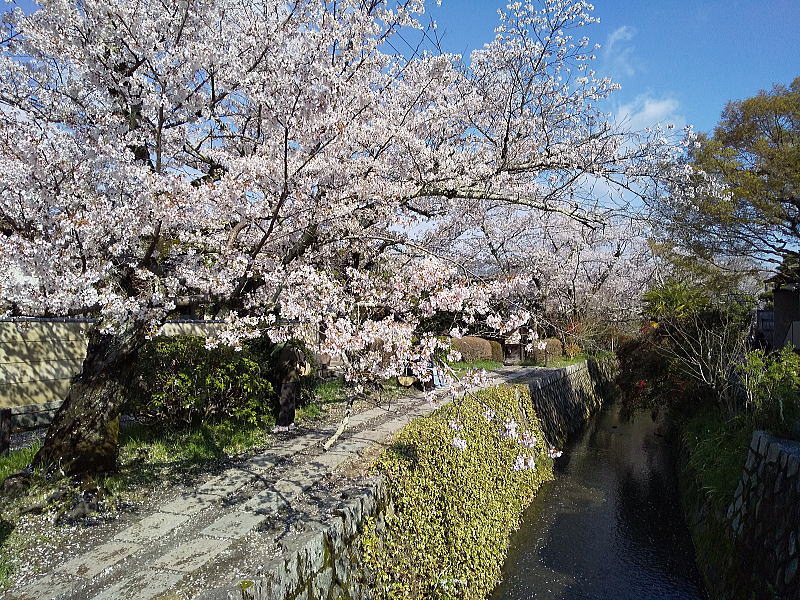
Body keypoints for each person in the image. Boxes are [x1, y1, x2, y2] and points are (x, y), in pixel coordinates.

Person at [272, 341, 309, 433]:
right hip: (294, 378)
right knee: (291, 401)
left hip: (286, 378)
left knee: (284, 400)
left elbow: (281, 364)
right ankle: (290, 422)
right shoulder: (295, 347)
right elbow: (303, 358)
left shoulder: (287, 348)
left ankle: (283, 424)